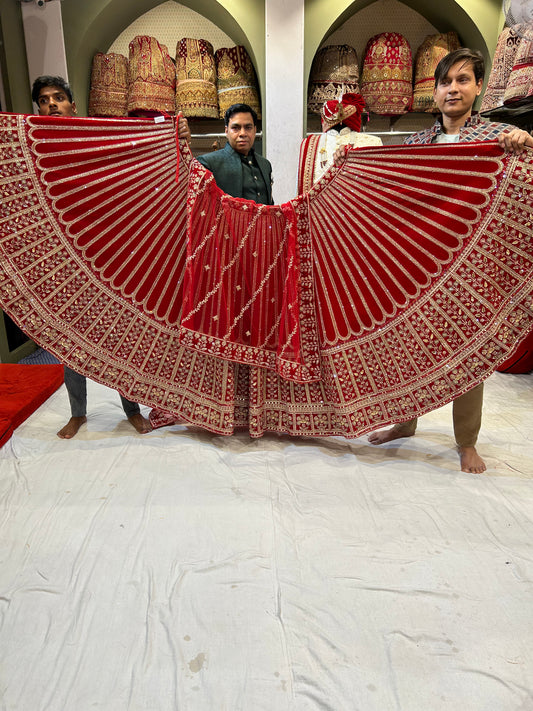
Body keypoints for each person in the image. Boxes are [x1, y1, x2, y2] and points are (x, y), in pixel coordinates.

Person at [365, 48, 533, 473]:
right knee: (409, 347)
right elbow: (394, 198)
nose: (453, 89)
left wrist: (527, 143)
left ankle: (466, 442)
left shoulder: (496, 137)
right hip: (420, 263)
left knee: (468, 353)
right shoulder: (417, 143)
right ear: (434, 92)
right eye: (445, 82)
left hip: (471, 264)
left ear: (478, 87)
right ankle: (405, 424)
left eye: (462, 80)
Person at [31, 75, 191, 439]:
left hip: (108, 249)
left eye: (59, 98)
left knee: (120, 332)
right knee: (70, 338)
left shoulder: (96, 135)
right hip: (63, 254)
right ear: (37, 108)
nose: (52, 104)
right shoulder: (36, 144)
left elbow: (134, 145)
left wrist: (175, 135)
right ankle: (78, 413)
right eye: (44, 100)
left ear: (73, 105)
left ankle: (131, 409)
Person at [196, 103, 273, 203]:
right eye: (236, 128)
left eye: (248, 127)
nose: (242, 133)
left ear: (255, 130)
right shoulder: (208, 163)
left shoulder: (265, 164)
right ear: (226, 131)